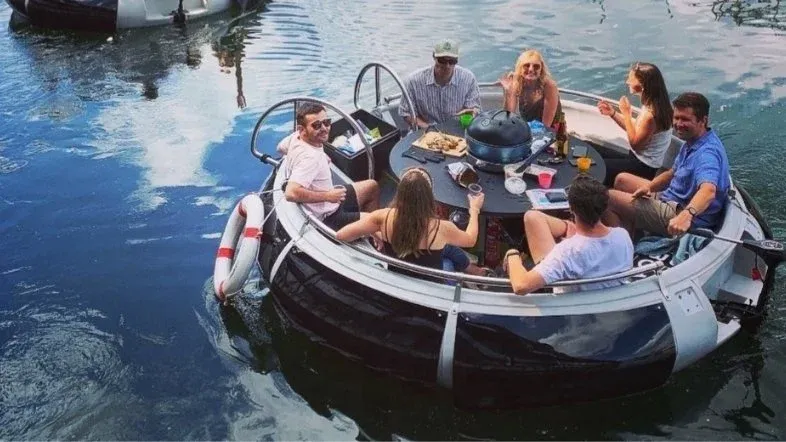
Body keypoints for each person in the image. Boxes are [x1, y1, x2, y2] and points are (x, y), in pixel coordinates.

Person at [603, 92, 730, 237]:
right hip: (670, 197)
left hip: (681, 213)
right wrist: (649, 187)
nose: (678, 124)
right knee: (622, 179)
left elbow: (708, 191)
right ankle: (631, 230)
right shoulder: (692, 141)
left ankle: (621, 247)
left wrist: (687, 215)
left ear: (703, 120)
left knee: (607, 198)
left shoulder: (707, 154)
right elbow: (672, 173)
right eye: (676, 118)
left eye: (685, 119)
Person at [336, 167, 491, 276]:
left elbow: (342, 235)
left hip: (398, 273)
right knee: (448, 256)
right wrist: (474, 210)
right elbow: (470, 239)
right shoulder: (441, 228)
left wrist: (376, 232)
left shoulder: (382, 217)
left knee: (449, 249)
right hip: (432, 283)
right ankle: (475, 273)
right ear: (429, 196)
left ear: (400, 193)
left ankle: (472, 270)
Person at [504, 176, 633, 295]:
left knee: (532, 219)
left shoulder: (567, 252)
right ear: (604, 207)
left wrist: (512, 254)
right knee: (532, 216)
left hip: (573, 308)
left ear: (571, 208)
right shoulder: (623, 236)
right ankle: (568, 226)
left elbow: (520, 286)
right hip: (607, 298)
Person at [280, 103, 380, 230]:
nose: (324, 128)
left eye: (326, 122)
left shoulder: (295, 138)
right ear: (302, 129)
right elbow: (291, 193)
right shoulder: (311, 158)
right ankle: (372, 233)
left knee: (372, 186)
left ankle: (366, 231)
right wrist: (328, 196)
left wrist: (317, 157)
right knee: (379, 220)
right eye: (316, 125)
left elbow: (281, 147)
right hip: (328, 217)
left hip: (330, 200)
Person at [597, 62, 674, 186]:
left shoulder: (651, 114)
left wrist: (626, 113)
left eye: (631, 79)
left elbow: (635, 144)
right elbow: (637, 129)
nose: (627, 81)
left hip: (642, 167)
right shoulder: (657, 104)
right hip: (636, 159)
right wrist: (613, 113)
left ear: (643, 84)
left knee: (595, 166)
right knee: (589, 149)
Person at [398, 39, 481, 129]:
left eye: (452, 61)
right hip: (424, 131)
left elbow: (475, 108)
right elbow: (405, 112)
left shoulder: (468, 79)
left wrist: (472, 113)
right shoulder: (413, 81)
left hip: (457, 130)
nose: (447, 65)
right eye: (442, 60)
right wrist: (429, 129)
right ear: (434, 57)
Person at [498, 49, 562, 127]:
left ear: (541, 70)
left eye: (536, 66)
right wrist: (508, 92)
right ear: (520, 68)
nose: (531, 69)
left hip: (550, 130)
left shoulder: (549, 86)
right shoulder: (517, 82)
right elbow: (508, 118)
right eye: (526, 65)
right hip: (528, 126)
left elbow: (546, 126)